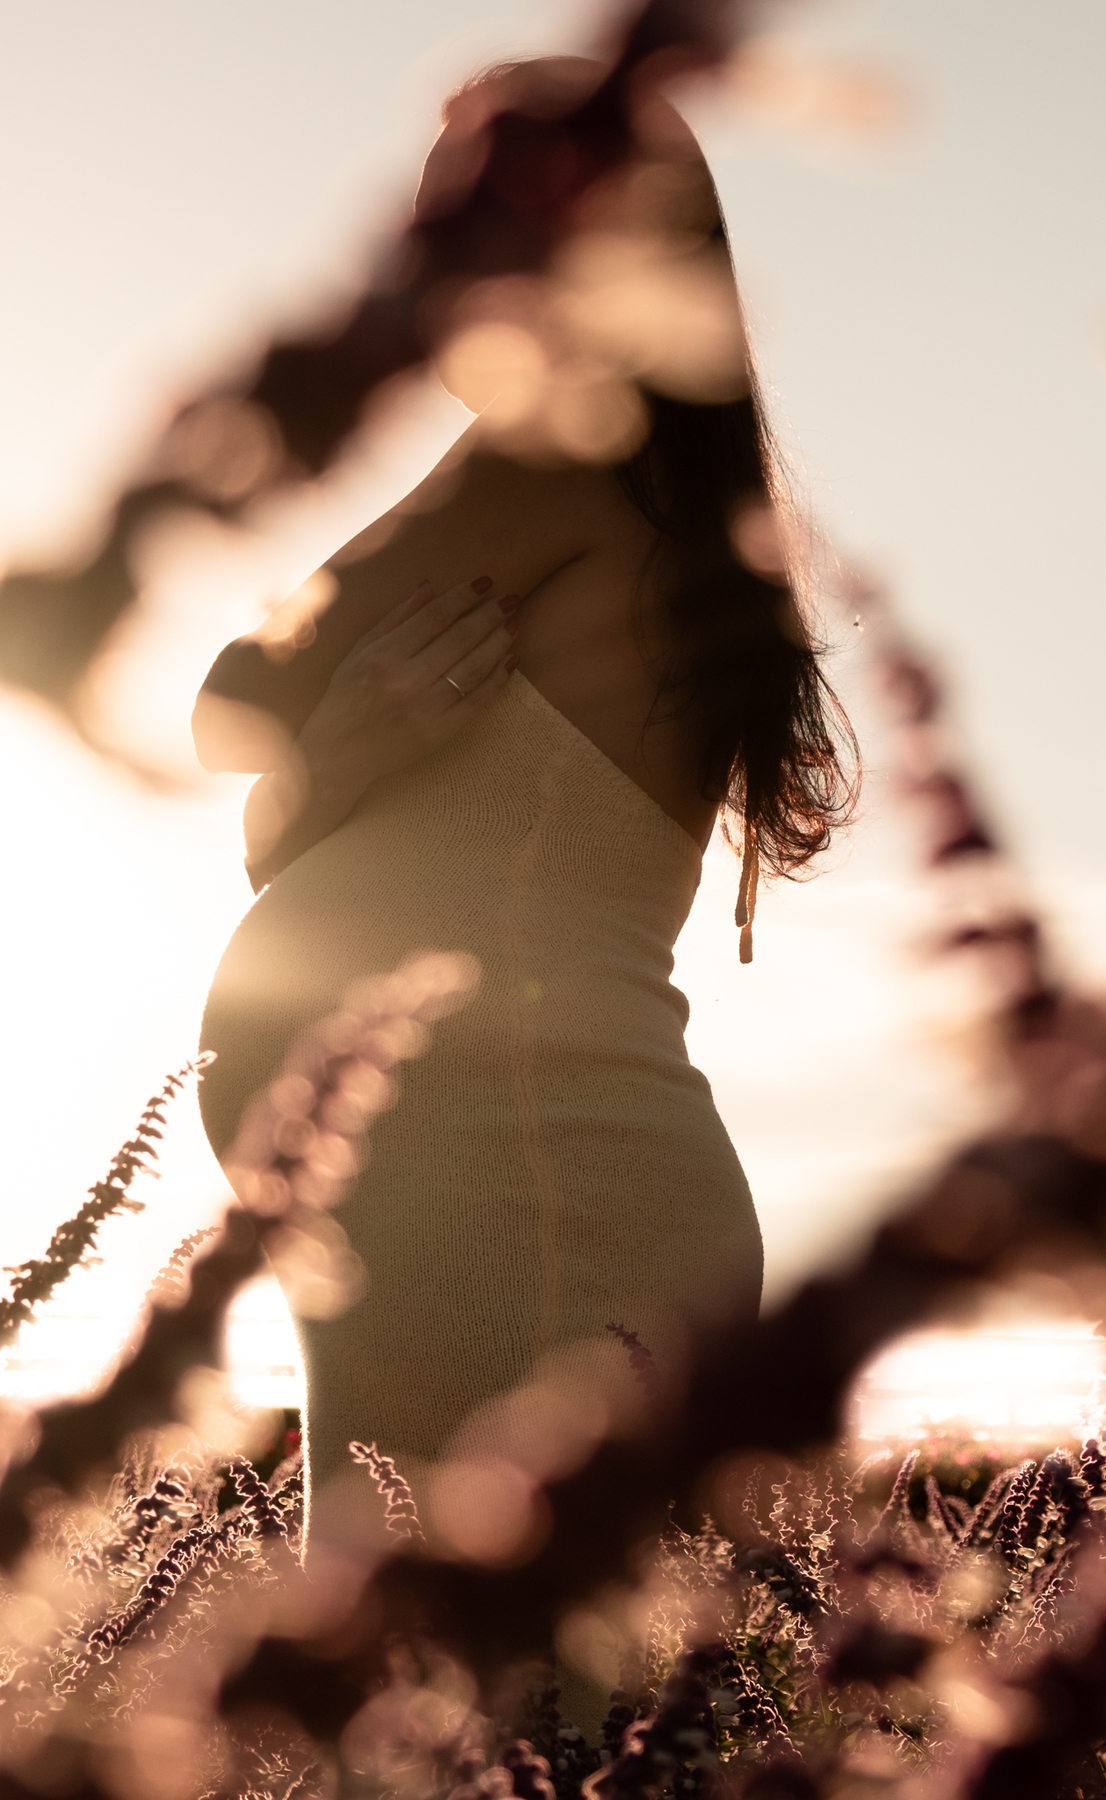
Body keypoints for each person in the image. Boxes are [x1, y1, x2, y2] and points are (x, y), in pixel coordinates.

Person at [193, 51, 855, 1657]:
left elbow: (232, 702)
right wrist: (336, 767)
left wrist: (314, 752)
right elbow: (299, 813)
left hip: (525, 1201)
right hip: (495, 1195)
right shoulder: (660, 503)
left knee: (466, 1720)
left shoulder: (548, 457)